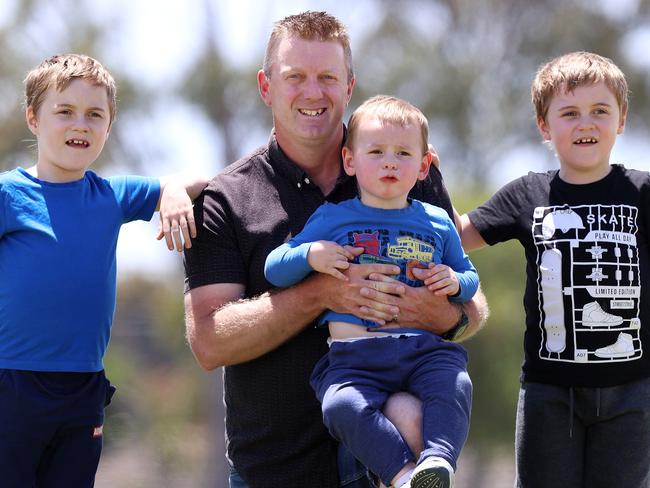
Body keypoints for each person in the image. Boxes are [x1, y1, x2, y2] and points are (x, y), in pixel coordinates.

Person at [183, 11, 487, 488]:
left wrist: (439, 311)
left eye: (328, 77)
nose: (312, 92)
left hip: (391, 471)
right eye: (294, 77)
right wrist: (320, 294)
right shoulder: (226, 198)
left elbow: (472, 308)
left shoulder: (405, 170)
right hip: (273, 471)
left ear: (349, 87)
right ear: (266, 86)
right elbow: (209, 341)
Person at [0, 53, 207, 488]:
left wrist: (170, 191)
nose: (81, 124)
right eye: (66, 112)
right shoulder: (7, 194)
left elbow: (196, 180)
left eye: (95, 114)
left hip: (83, 390)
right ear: (34, 119)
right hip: (11, 386)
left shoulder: (112, 195)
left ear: (108, 127)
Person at [458, 51, 650, 487]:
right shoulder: (527, 194)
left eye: (600, 110)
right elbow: (455, 234)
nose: (586, 123)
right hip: (549, 393)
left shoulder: (642, 192)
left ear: (621, 119)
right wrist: (415, 175)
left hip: (632, 393)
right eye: (569, 113)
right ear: (545, 126)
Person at [264, 95, 476, 488]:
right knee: (340, 405)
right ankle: (403, 475)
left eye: (403, 153)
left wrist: (455, 280)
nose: (390, 162)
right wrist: (311, 254)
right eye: (376, 152)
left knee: (456, 384)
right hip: (353, 358)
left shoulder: (438, 222)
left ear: (424, 165)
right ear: (350, 161)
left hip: (422, 351)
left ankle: (438, 460)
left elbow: (469, 276)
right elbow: (275, 268)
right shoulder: (334, 216)